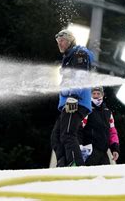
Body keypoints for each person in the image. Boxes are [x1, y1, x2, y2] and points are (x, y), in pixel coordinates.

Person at [51, 29, 94, 167]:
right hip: (68, 102)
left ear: (70, 41)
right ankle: (63, 163)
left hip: (76, 101)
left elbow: (81, 75)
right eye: (58, 42)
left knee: (68, 134)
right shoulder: (68, 57)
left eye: (62, 41)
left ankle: (76, 164)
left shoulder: (79, 54)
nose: (60, 44)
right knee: (56, 137)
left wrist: (74, 96)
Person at [78, 86, 120, 165]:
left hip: (103, 152)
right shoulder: (87, 110)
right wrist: (79, 146)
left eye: (98, 93)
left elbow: (112, 132)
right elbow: (78, 129)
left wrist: (115, 149)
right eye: (94, 94)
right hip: (90, 151)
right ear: (90, 95)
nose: (96, 96)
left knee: (107, 175)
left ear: (102, 95)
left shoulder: (108, 112)